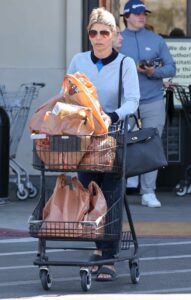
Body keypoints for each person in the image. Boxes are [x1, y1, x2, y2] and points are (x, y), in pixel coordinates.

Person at [66, 7, 140, 281]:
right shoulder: (79, 60)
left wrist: (112, 115)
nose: (98, 38)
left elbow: (133, 100)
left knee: (110, 194)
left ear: (114, 35)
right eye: (93, 32)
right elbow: (68, 92)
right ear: (89, 35)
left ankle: (109, 256)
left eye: (104, 32)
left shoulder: (125, 64)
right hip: (84, 139)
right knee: (89, 192)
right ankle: (99, 250)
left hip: (113, 137)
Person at [120, 0, 176, 208]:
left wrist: (155, 72)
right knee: (120, 144)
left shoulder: (156, 40)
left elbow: (171, 68)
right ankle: (118, 189)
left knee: (152, 145)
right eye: (137, 14)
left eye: (144, 13)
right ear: (126, 16)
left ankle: (148, 192)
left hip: (152, 99)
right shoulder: (117, 40)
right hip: (125, 101)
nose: (142, 17)